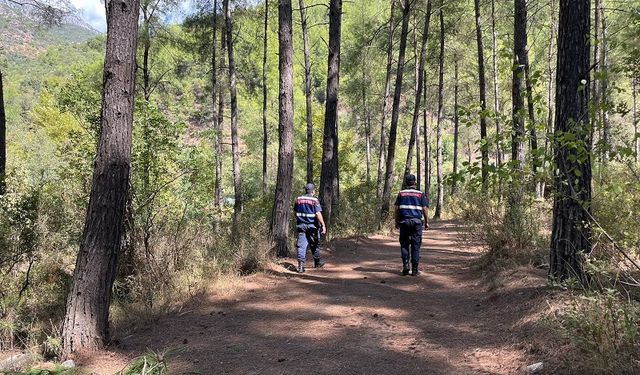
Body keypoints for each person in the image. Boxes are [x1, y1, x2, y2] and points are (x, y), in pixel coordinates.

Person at [394, 174, 429, 276]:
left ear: (406, 182)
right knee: (416, 245)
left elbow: (396, 209)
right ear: (415, 182)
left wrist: (396, 222)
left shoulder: (401, 193)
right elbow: (425, 209)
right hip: (417, 223)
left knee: (404, 244)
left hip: (404, 222)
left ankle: (405, 267)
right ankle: (414, 270)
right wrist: (426, 222)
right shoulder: (420, 194)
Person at [293, 183, 327, 273]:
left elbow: (295, 212)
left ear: (305, 190)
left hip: (301, 225)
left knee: (301, 245)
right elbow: (318, 213)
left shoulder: (298, 199)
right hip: (312, 226)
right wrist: (323, 224)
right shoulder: (314, 200)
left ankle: (300, 266)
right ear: (313, 191)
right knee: (315, 244)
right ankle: (317, 262)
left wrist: (300, 220)